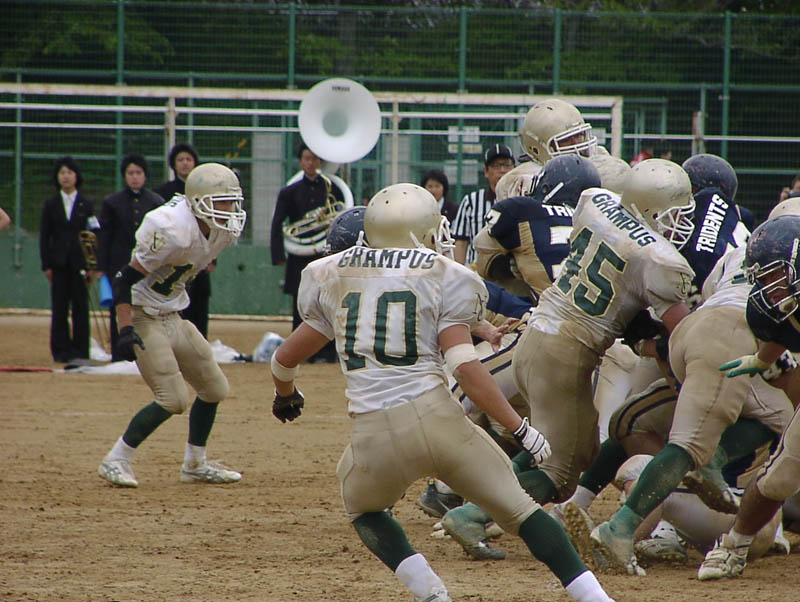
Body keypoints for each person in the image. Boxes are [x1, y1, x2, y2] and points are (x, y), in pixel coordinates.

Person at [268, 182, 615, 602]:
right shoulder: (442, 274)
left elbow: (283, 359)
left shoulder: (331, 275)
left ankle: (430, 592)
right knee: (523, 512)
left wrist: (286, 395)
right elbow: (465, 369)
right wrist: (520, 429)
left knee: (363, 509)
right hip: (439, 423)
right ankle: (595, 598)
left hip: (374, 436)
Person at [97, 163, 247, 488]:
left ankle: (195, 464)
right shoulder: (170, 228)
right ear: (198, 202)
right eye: (222, 202)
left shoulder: (222, 230)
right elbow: (123, 279)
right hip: (141, 313)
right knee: (173, 398)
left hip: (172, 313)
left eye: (232, 202)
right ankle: (116, 459)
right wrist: (125, 329)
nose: (229, 210)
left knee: (215, 388)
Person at [696, 210, 800, 580]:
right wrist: (761, 360)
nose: (770, 290)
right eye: (763, 279)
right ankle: (734, 545)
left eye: (776, 276)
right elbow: (783, 330)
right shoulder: (772, 308)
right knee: (779, 477)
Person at [270, 141, 344, 363]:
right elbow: (277, 223)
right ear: (300, 161)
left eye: (315, 159)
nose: (311, 163)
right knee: (300, 303)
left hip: (326, 254)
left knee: (329, 300)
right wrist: (278, 255)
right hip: (298, 257)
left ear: (321, 161)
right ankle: (302, 353)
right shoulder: (289, 192)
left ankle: (328, 353)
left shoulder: (333, 189)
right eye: (307, 158)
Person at [97, 154, 164, 361]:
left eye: (138, 173)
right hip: (119, 263)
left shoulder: (156, 202)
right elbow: (105, 236)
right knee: (120, 306)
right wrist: (101, 267)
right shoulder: (111, 202)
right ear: (124, 176)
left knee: (148, 308)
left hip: (147, 264)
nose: (135, 177)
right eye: (130, 173)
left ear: (145, 175)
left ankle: (150, 352)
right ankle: (120, 353)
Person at [39, 156, 99, 363]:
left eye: (69, 172)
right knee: (60, 308)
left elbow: (94, 234)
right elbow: (45, 237)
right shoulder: (50, 204)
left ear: (76, 176)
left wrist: (93, 265)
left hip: (80, 265)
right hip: (58, 265)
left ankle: (81, 351)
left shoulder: (86, 204)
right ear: (57, 177)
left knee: (81, 308)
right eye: (62, 173)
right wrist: (46, 265)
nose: (65, 176)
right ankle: (60, 350)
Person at [153, 143, 214, 339]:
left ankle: (199, 344)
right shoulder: (163, 192)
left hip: (199, 258)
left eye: (189, 159)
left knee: (199, 304)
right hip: (173, 260)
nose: (185, 163)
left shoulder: (206, 192)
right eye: (180, 160)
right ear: (173, 164)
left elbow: (213, 225)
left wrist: (212, 258)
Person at [450, 143, 515, 266]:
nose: (502, 170)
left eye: (507, 165)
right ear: (486, 171)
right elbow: (461, 242)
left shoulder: (523, 200)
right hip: (478, 271)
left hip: (514, 271)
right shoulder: (471, 201)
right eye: (496, 166)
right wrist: (459, 273)